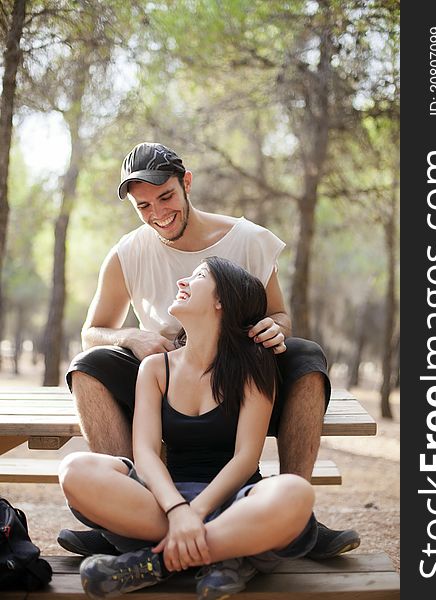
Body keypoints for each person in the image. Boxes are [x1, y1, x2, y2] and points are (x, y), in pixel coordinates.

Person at [58, 142, 359, 561]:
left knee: (307, 355)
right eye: (143, 206)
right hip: (166, 376)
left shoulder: (250, 240)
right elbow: (91, 331)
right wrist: (129, 337)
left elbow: (281, 315)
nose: (158, 213)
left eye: (165, 197)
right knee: (88, 365)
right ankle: (125, 511)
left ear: (186, 183)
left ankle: (296, 519)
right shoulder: (128, 252)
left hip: (241, 373)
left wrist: (276, 328)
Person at [59, 257, 319, 600]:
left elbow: (245, 457)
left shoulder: (256, 365)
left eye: (198, 276)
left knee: (295, 494)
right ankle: (228, 554)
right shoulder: (155, 368)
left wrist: (195, 513)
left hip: (236, 502)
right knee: (75, 470)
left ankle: (158, 563)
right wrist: (178, 510)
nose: (183, 282)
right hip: (161, 505)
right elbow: (146, 453)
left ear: (221, 300)